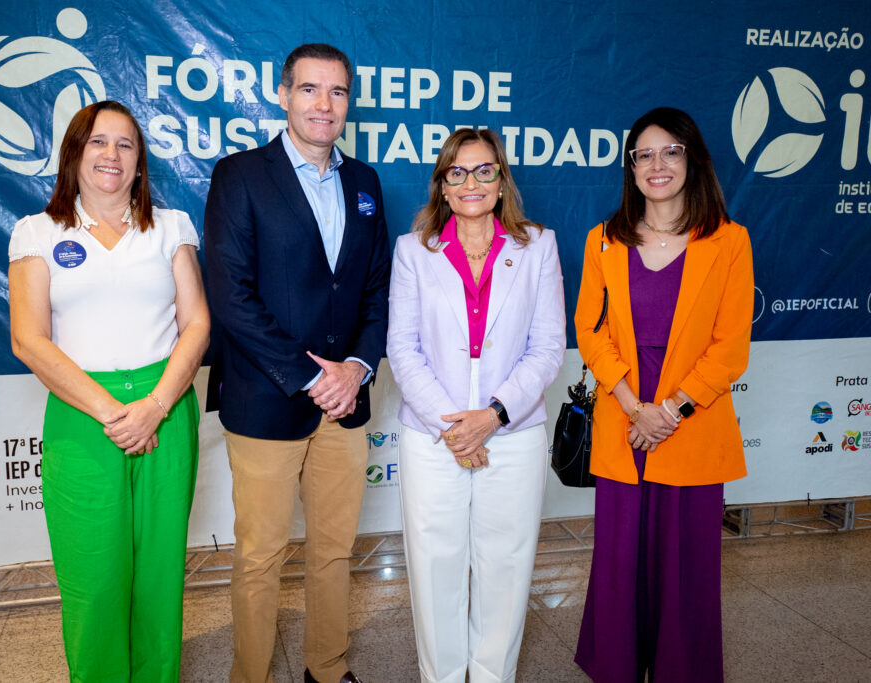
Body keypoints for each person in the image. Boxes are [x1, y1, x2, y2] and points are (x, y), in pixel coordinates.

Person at [203, 43, 390, 683]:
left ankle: (327, 668)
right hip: (265, 397)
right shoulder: (240, 175)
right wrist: (314, 375)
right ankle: (249, 674)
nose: (323, 105)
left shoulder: (364, 183)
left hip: (347, 402)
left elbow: (375, 290)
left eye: (337, 93)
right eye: (310, 90)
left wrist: (357, 368)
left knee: (334, 551)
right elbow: (229, 294)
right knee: (259, 556)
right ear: (283, 95)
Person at [8, 100, 209, 682]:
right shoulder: (37, 233)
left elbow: (196, 324)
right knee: (94, 579)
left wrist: (154, 407)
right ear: (73, 153)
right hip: (83, 417)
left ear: (141, 162)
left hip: (165, 408)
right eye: (98, 141)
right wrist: (115, 413)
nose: (111, 155)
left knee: (159, 576)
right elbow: (29, 339)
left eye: (125, 144)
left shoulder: (171, 227)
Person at [574, 107, 753, 682]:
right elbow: (589, 331)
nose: (658, 165)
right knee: (620, 563)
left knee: (686, 569)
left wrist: (669, 413)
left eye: (671, 151)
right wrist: (634, 408)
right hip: (624, 422)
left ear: (691, 160)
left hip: (692, 427)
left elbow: (729, 349)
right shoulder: (603, 240)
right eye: (645, 154)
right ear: (630, 168)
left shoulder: (729, 241)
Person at [386, 128, 566, 683]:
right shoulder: (414, 250)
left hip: (511, 434)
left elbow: (548, 346)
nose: (471, 183)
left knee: (505, 569)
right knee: (435, 567)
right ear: (442, 183)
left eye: (484, 170)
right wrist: (455, 428)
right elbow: (403, 347)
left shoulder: (538, 245)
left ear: (501, 179)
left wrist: (491, 417)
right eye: (457, 172)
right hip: (432, 434)